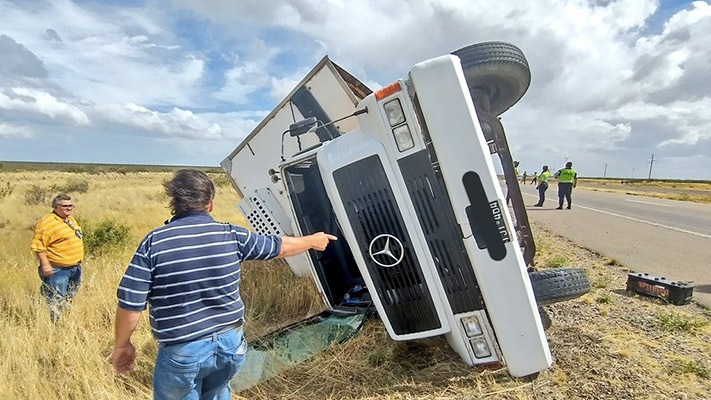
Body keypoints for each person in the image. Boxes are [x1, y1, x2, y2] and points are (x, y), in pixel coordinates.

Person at [112, 169, 337, 400]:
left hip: (184, 351)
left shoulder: (154, 242)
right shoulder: (231, 235)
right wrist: (312, 241)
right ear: (210, 203)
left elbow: (131, 303)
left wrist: (122, 345)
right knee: (219, 393)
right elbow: (278, 246)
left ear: (174, 202)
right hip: (231, 344)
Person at [31, 193, 84, 322]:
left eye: (71, 205)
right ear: (55, 207)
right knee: (57, 299)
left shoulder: (69, 219)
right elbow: (39, 246)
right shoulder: (46, 223)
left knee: (69, 296)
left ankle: (66, 319)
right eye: (65, 206)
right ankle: (57, 326)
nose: (69, 208)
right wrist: (45, 264)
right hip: (58, 269)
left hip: (74, 267)